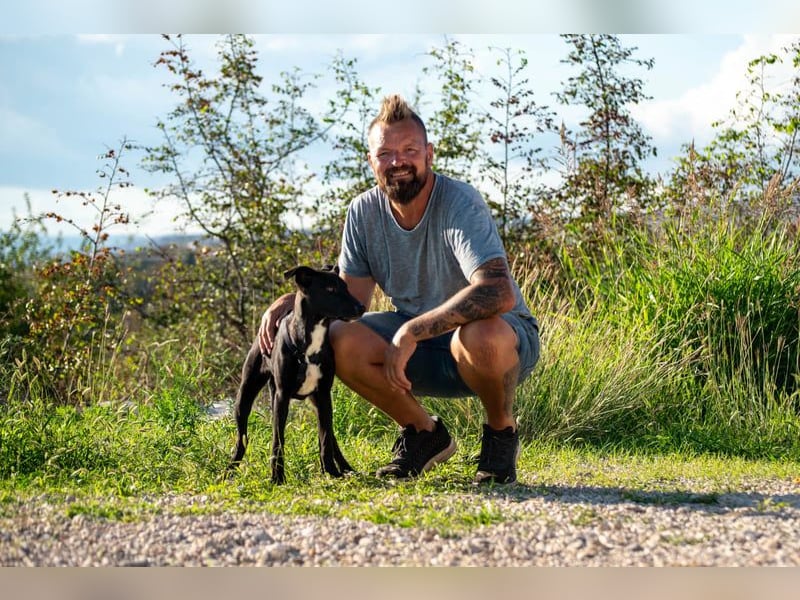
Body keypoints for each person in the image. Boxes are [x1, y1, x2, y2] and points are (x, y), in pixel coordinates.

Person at [259, 94, 539, 484]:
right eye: (386, 152)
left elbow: (498, 292)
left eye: (409, 150)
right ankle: (424, 434)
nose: (398, 161)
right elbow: (350, 301)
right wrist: (290, 301)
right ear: (371, 161)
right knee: (338, 336)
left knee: (482, 333)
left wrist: (411, 331)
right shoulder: (362, 211)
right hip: (418, 348)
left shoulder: (459, 202)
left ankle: (500, 434)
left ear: (429, 154)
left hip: (496, 346)